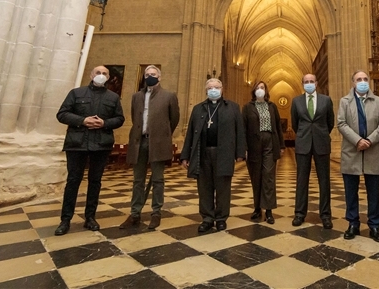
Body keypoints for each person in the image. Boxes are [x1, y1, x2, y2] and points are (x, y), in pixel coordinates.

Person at [54, 66, 125, 236]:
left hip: (101, 144)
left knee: (95, 181)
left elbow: (120, 118)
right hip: (77, 143)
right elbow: (62, 114)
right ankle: (65, 219)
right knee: (73, 181)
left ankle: (90, 217)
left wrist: (105, 123)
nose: (101, 75)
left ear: (108, 77)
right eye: (98, 73)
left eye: (104, 74)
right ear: (91, 75)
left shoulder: (113, 97)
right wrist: (82, 120)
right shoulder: (76, 93)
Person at [180, 78, 245, 233]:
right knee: (204, 187)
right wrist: (185, 155)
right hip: (202, 152)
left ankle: (221, 218)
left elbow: (240, 132)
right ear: (206, 90)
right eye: (210, 87)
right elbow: (190, 134)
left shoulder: (233, 108)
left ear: (222, 89)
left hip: (224, 152)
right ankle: (207, 218)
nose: (213, 90)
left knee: (223, 187)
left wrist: (240, 152)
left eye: (216, 87)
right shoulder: (198, 109)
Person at [119, 65, 180, 230]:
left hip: (158, 142)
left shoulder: (169, 96)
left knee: (158, 180)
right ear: (144, 77)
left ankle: (156, 212)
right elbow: (134, 117)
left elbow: (173, 119)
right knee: (138, 180)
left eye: (153, 74)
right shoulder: (136, 97)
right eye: (147, 74)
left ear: (159, 77)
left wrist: (163, 134)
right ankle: (135, 213)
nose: (150, 77)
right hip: (139, 142)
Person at [337, 70, 379, 242]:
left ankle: (374, 225)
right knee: (351, 192)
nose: (362, 81)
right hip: (352, 151)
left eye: (365, 79)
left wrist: (369, 140)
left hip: (372, 151)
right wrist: (358, 140)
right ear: (353, 83)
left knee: (374, 192)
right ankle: (353, 223)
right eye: (359, 79)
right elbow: (341, 123)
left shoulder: (378, 101)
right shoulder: (345, 101)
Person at [290, 73, 334, 228]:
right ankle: (299, 214)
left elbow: (330, 123)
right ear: (303, 84)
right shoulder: (296, 101)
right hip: (303, 143)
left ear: (316, 84)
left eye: (311, 81)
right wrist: (304, 135)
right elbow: (295, 124)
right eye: (306, 82)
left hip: (321, 143)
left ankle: (326, 215)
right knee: (302, 180)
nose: (309, 83)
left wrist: (320, 134)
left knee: (324, 180)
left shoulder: (326, 100)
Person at [243, 81, 285, 224]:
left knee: (268, 176)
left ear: (266, 90)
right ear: (253, 91)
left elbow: (278, 126)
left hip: (270, 142)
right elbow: (243, 128)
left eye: (262, 88)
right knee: (256, 176)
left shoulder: (272, 107)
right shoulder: (248, 108)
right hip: (254, 144)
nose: (260, 90)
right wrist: (244, 148)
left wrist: (281, 145)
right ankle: (256, 208)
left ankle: (268, 210)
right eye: (257, 88)